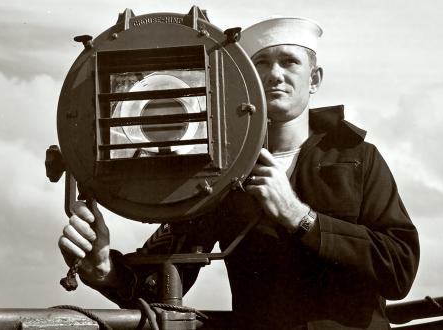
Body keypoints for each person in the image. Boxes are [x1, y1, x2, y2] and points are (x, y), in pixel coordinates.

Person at [58, 17, 420, 329]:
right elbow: (166, 279)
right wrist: (105, 269)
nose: (274, 73)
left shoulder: (357, 157)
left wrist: (300, 217)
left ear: (314, 79)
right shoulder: (220, 171)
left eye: (289, 62)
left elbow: (400, 269)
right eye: (261, 62)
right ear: (244, 77)